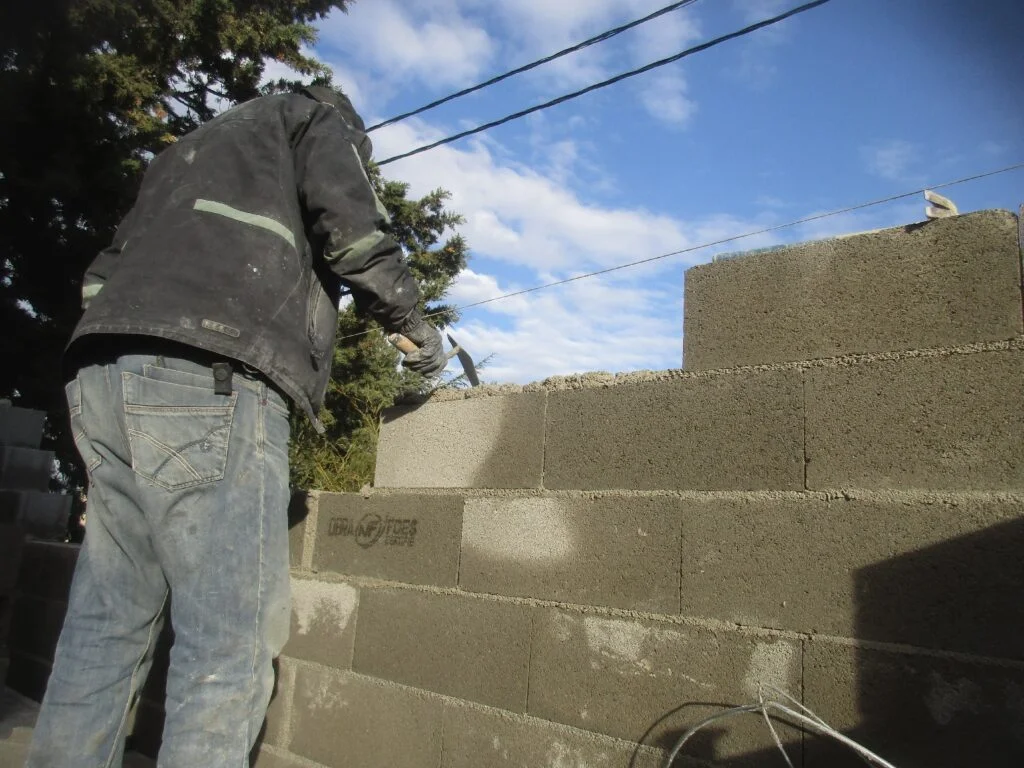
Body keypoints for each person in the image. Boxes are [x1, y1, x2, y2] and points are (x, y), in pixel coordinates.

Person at [26, 86, 445, 767]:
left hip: (102, 373)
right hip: (213, 370)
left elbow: (103, 273)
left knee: (106, 623)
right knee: (228, 641)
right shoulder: (309, 118)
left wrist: (132, 353)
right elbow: (353, 229)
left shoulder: (185, 151)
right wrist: (413, 326)